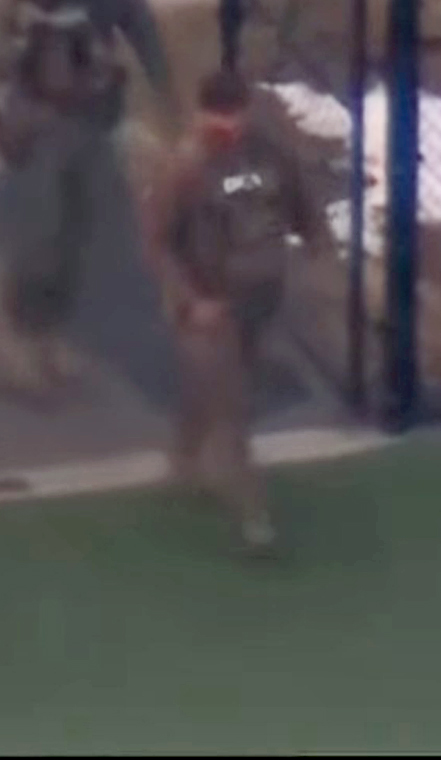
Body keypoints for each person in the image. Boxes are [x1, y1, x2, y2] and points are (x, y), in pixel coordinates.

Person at [0, 0, 176, 395]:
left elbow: (145, 34)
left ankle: (52, 332)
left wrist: (166, 96)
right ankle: (21, 335)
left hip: (93, 118)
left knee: (75, 237)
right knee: (41, 236)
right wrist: (23, 35)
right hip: (41, 122)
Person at [142, 68, 333, 555]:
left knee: (214, 389)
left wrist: (319, 251)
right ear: (202, 112)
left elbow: (305, 208)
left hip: (261, 298)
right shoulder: (183, 168)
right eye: (218, 115)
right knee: (232, 407)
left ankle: (184, 459)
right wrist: (190, 300)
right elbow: (158, 244)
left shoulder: (270, 154)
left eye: (235, 113)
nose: (228, 125)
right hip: (210, 305)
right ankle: (254, 517)